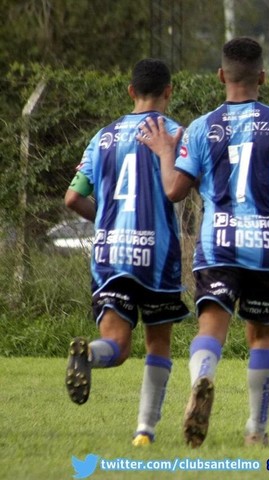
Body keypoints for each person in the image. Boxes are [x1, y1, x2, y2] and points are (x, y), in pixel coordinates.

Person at [138, 37, 269, 447]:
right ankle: (256, 429)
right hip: (267, 244)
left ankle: (203, 376)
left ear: (221, 76)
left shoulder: (201, 127)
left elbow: (174, 191)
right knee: (261, 333)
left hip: (218, 242)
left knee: (211, 323)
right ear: (263, 77)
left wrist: (166, 152)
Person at [64, 58, 190, 447]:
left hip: (110, 252)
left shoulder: (101, 138)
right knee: (159, 344)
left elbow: (72, 198)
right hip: (156, 252)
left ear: (131, 91)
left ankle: (90, 353)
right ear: (169, 91)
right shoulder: (175, 133)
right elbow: (182, 188)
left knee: (117, 347)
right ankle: (144, 431)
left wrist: (104, 220)